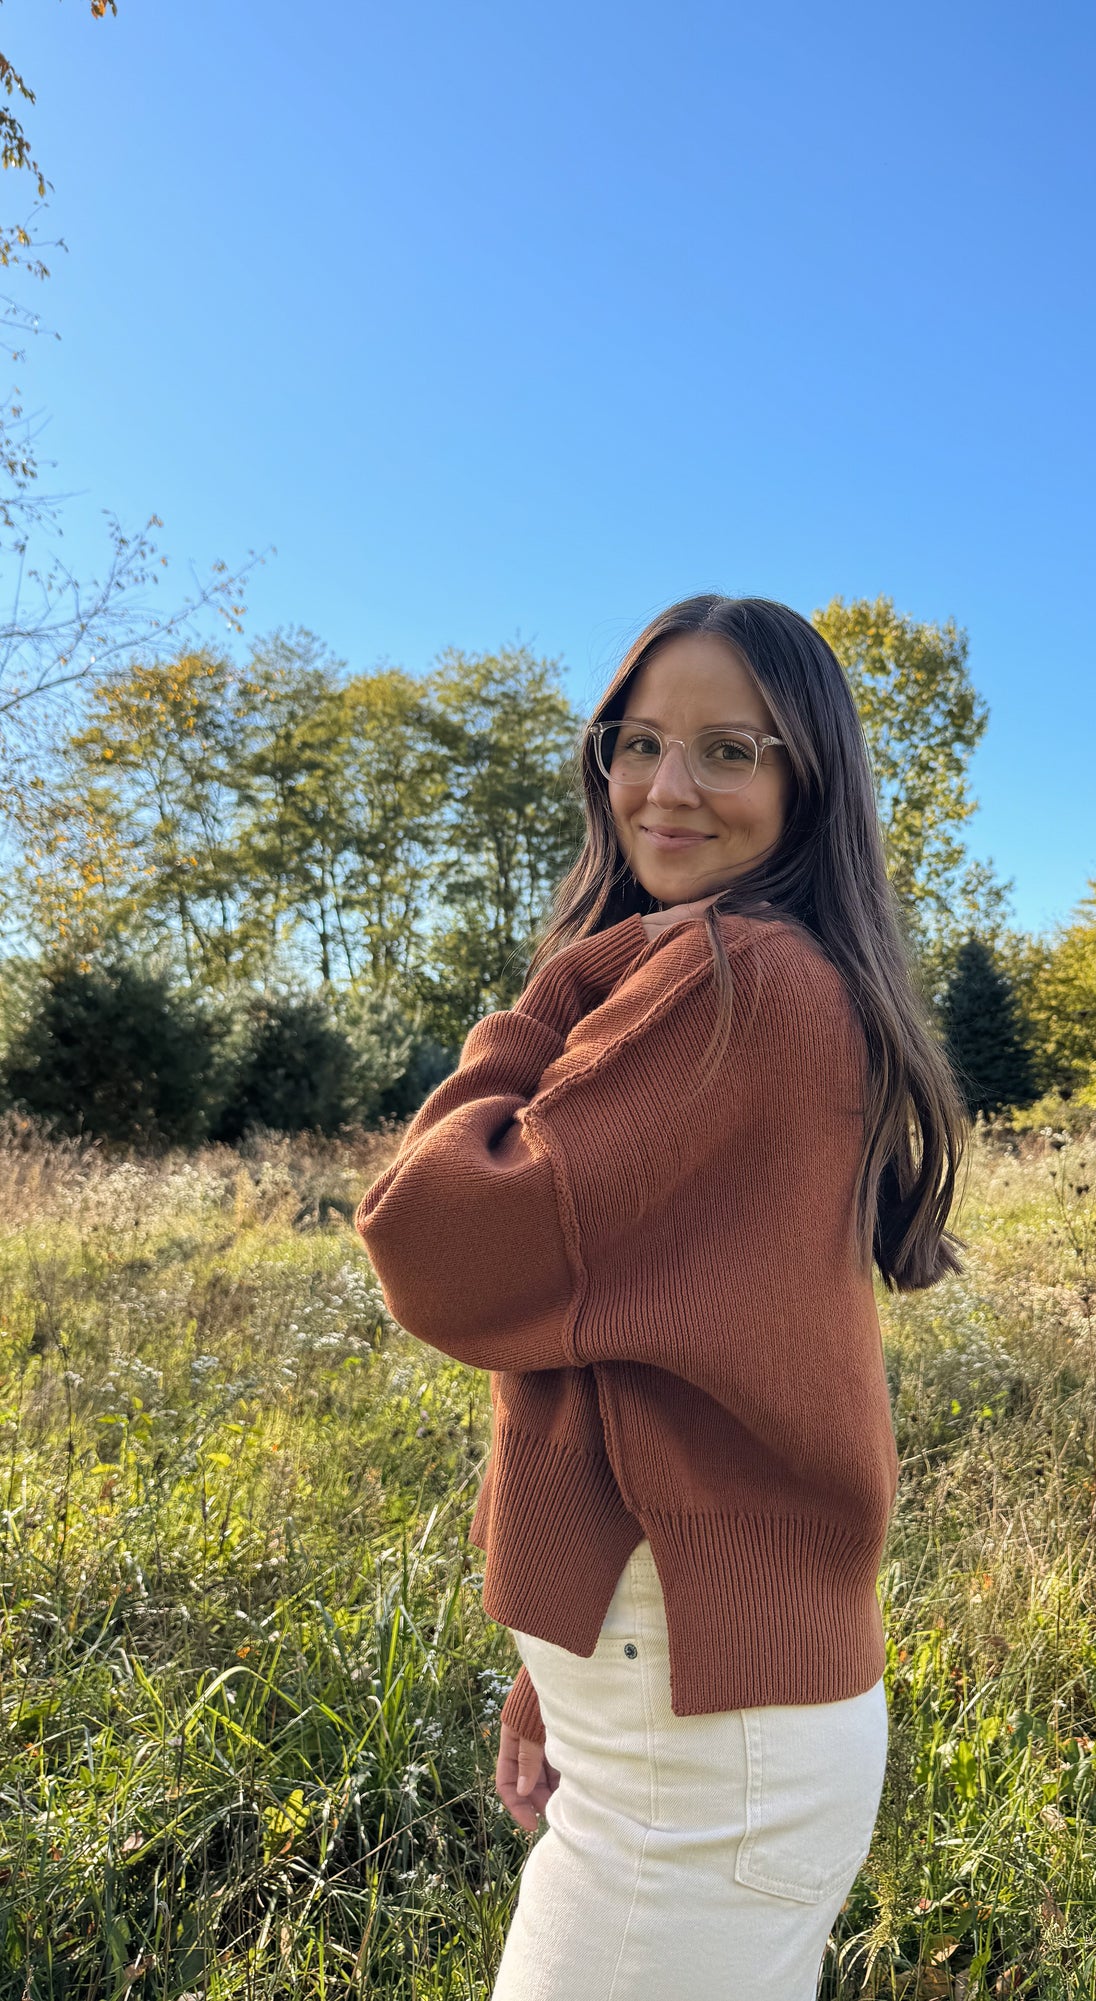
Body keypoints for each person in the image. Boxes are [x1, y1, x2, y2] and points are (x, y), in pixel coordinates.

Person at [354, 594, 969, 1999]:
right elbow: (672, 1352)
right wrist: (570, 1657)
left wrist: (556, 980)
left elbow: (434, 1237)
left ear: (805, 785)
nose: (664, 788)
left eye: (727, 751)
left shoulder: (726, 972)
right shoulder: (772, 977)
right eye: (636, 742)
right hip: (690, 1713)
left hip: (699, 1757)